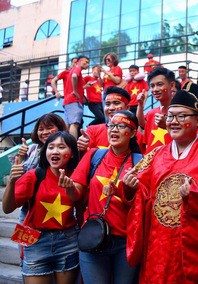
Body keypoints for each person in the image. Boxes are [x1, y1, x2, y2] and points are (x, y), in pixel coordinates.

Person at [122, 82, 198, 283]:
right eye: (171, 116)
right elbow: (141, 191)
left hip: (193, 247)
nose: (174, 121)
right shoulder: (156, 154)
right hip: (158, 245)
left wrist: (195, 196)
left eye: (182, 116)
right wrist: (130, 189)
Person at [66, 111, 142, 284]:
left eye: (121, 126)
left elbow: (143, 203)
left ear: (132, 133)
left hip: (126, 242)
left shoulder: (140, 162)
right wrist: (70, 188)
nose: (114, 130)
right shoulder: (94, 155)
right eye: (111, 125)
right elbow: (76, 193)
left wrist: (127, 191)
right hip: (93, 236)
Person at [3, 131, 80, 284]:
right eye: (50, 147)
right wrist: (12, 182)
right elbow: (7, 208)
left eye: (61, 147)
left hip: (68, 241)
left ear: (71, 153)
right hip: (36, 241)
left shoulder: (78, 176)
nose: (55, 151)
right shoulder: (34, 176)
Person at [77, 86, 145, 153]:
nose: (111, 108)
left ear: (127, 108)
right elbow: (86, 158)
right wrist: (82, 149)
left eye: (116, 103)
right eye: (107, 104)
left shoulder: (137, 136)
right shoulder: (92, 131)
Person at [136, 67, 175, 154]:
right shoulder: (151, 113)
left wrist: (167, 125)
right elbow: (141, 124)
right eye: (152, 86)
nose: (155, 89)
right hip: (151, 163)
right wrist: (140, 105)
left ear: (172, 85)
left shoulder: (182, 113)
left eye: (160, 84)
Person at [64, 55, 90, 139]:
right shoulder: (77, 69)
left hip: (68, 101)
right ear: (78, 62)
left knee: (69, 125)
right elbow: (74, 76)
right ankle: (73, 146)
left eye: (88, 62)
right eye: (85, 61)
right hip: (74, 100)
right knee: (74, 124)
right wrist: (75, 91)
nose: (87, 64)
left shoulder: (73, 70)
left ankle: (67, 143)